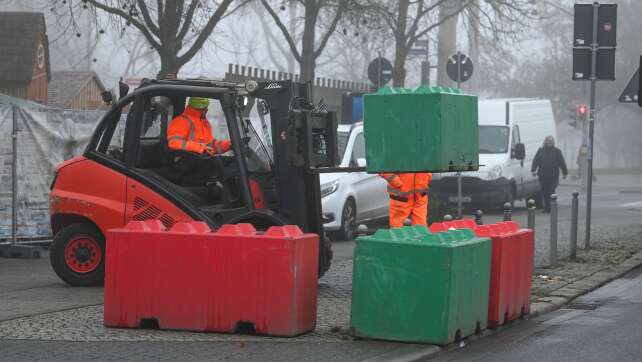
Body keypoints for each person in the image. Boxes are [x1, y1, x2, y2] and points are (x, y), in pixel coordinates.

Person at [167, 97, 232, 186]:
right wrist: (199, 148)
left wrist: (230, 145)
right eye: (205, 108)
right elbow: (173, 143)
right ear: (202, 109)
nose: (207, 110)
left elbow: (210, 145)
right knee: (215, 163)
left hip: (202, 161)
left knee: (234, 162)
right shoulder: (181, 121)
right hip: (186, 166)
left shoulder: (204, 123)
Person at [531, 136, 568, 213]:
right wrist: (533, 170)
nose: (549, 142)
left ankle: (552, 207)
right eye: (548, 141)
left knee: (551, 191)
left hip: (553, 176)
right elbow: (535, 161)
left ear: (553, 142)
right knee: (544, 192)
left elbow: (562, 163)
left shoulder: (557, 151)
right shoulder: (540, 151)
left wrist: (565, 173)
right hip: (543, 175)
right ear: (545, 142)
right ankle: (547, 208)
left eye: (551, 141)